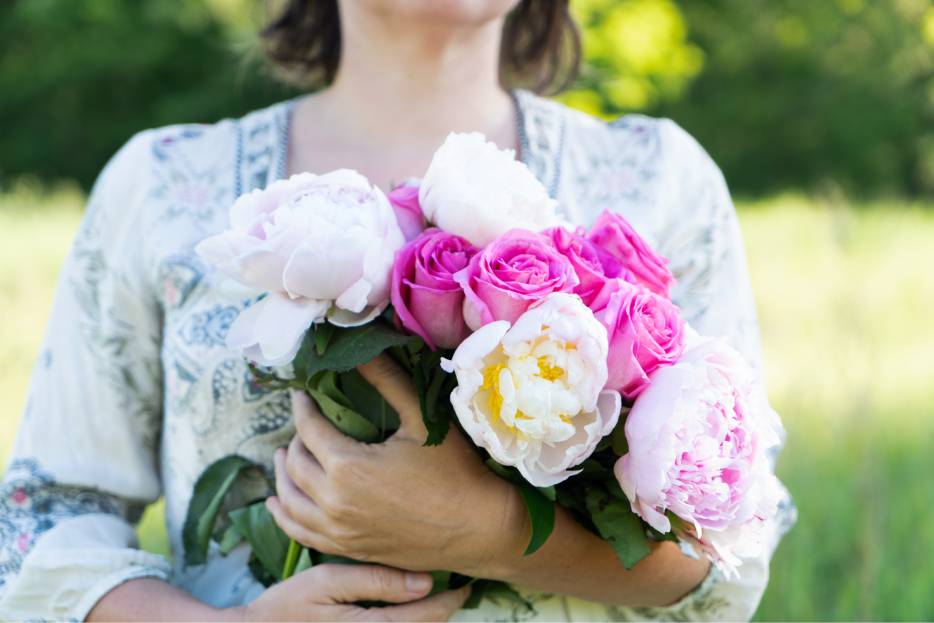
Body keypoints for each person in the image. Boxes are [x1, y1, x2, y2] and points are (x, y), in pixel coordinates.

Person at [0, 0, 796, 621]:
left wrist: (486, 531)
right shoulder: (163, 185)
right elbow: (41, 522)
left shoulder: (657, 181)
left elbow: (731, 552)